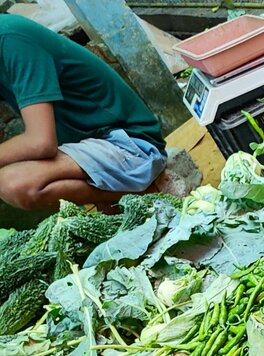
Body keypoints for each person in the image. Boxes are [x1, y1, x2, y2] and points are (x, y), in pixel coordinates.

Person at [0, 15, 167, 211]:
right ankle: (115, 196)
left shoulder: (12, 39)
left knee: (15, 183)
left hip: (131, 146)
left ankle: (149, 192)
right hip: (87, 150)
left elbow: (40, 143)